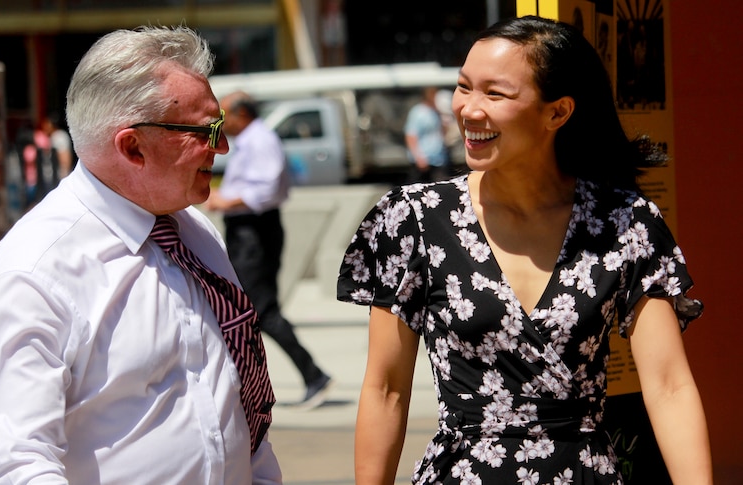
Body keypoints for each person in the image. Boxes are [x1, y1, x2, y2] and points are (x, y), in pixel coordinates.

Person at [337, 16, 712, 485]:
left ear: (558, 112)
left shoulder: (625, 220)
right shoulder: (412, 218)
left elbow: (670, 386)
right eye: (463, 87)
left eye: (495, 94)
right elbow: (386, 390)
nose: (469, 110)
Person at [0, 26, 282, 484]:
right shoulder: (35, 271)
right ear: (133, 146)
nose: (222, 147)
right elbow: (20, 464)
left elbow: (238, 403)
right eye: (206, 131)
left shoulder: (194, 233)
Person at [206, 91, 334, 409]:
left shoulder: (260, 140)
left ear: (241, 114)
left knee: (257, 307)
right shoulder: (251, 140)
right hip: (247, 230)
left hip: (255, 231)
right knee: (245, 307)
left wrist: (224, 201)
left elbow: (265, 189)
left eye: (224, 115)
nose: (221, 123)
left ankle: (313, 375)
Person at [403, 85, 451, 183]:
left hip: (438, 159)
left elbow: (442, 133)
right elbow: (411, 135)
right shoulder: (418, 112)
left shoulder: (437, 112)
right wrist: (418, 156)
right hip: (423, 158)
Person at [41, 112, 75, 179]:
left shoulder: (59, 137)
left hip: (58, 178)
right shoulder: (53, 137)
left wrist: (63, 178)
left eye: (46, 124)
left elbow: (65, 159)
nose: (44, 126)